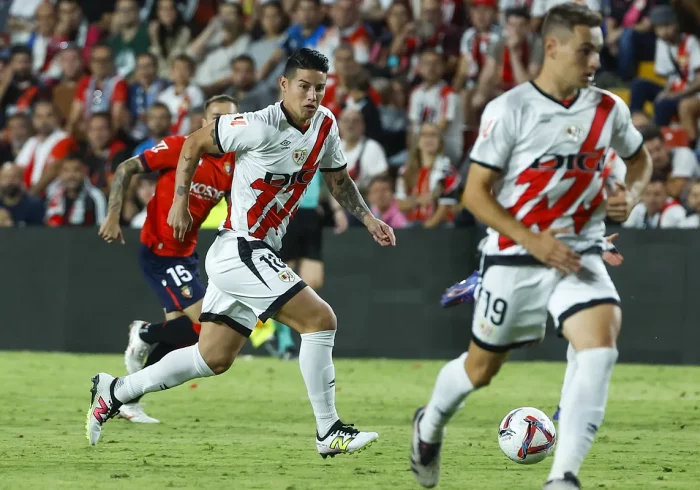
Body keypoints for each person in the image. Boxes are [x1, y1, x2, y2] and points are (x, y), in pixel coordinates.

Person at [86, 48, 396, 458]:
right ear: (284, 85)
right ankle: (329, 431)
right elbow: (194, 142)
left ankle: (116, 390)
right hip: (240, 248)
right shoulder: (256, 125)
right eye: (303, 86)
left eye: (319, 88)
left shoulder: (326, 125)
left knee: (212, 357)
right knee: (320, 320)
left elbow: (338, 182)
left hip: (254, 252)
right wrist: (180, 201)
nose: (312, 96)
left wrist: (369, 218)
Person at [409, 4, 653, 490]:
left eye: (599, 52)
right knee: (480, 371)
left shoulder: (609, 109)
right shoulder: (510, 109)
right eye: (585, 50)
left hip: (579, 252)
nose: (593, 62)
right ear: (552, 47)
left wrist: (629, 193)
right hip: (513, 255)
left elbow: (639, 159)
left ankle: (562, 478)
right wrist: (532, 241)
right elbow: (475, 194)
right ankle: (429, 425)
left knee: (600, 347)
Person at [97, 95, 238, 424]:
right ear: (202, 121)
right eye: (214, 117)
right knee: (205, 326)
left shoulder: (232, 164)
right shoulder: (181, 147)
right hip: (161, 252)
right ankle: (144, 333)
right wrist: (113, 216)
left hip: (186, 253)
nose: (220, 125)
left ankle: (128, 399)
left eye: (228, 119)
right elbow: (126, 167)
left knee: (184, 338)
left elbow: (237, 208)